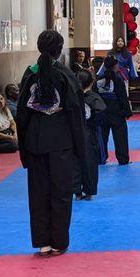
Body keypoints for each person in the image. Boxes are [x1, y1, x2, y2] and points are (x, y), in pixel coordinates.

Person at [17, 30, 85, 257]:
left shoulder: (30, 74)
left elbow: (21, 115)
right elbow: (76, 114)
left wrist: (24, 149)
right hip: (61, 142)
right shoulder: (66, 75)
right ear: (60, 49)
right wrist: (81, 149)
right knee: (61, 192)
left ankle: (42, 243)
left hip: (34, 142)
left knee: (38, 193)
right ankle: (58, 243)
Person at [73, 69, 106, 201]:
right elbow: (101, 113)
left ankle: (76, 191)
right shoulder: (94, 98)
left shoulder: (72, 97)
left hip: (74, 133)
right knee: (89, 162)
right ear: (92, 82)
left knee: (75, 162)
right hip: (88, 133)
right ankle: (89, 190)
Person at [95, 55, 132, 165]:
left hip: (102, 112)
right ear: (115, 66)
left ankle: (100, 157)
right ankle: (123, 159)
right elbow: (123, 97)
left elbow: (95, 97)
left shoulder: (98, 80)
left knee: (102, 136)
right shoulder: (118, 79)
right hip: (117, 112)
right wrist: (127, 111)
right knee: (120, 137)